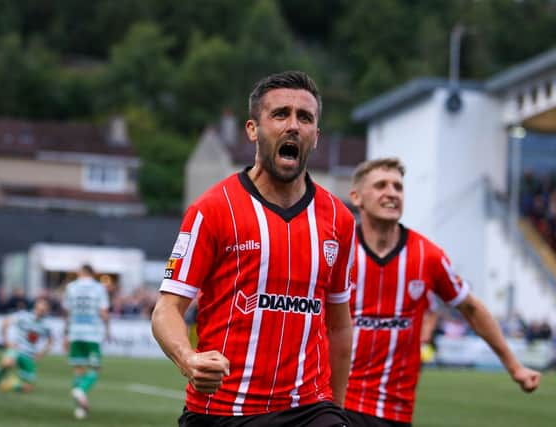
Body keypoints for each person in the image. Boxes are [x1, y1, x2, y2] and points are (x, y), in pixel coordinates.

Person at [151, 70, 356, 427]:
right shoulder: (212, 209)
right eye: (280, 114)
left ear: (316, 136)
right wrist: (189, 359)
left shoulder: (339, 220)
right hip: (221, 412)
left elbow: (339, 326)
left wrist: (335, 411)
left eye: (304, 117)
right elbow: (167, 308)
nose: (293, 125)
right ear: (252, 130)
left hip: (307, 410)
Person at [344, 157, 541, 427]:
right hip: (335, 402)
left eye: (398, 187)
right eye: (380, 185)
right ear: (357, 197)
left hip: (392, 410)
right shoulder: (337, 249)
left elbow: (471, 308)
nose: (391, 193)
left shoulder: (428, 256)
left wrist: (515, 367)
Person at [62, 264, 110, 419]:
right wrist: (108, 328)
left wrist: (66, 333)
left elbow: (67, 312)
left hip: (75, 332)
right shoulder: (99, 288)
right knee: (95, 368)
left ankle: (79, 409)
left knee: (78, 369)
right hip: (92, 334)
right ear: (92, 273)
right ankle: (81, 390)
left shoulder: (71, 287)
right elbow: (103, 312)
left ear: (80, 272)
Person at [0, 297, 53, 392]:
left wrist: (41, 353)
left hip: (29, 356)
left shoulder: (46, 326)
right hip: (17, 349)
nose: (41, 311)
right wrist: (6, 341)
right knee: (7, 363)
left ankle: (9, 383)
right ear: (35, 307)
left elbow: (51, 341)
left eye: (44, 310)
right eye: (40, 308)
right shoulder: (23, 316)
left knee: (27, 388)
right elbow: (5, 322)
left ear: (47, 311)